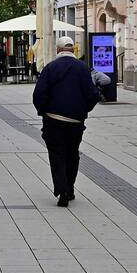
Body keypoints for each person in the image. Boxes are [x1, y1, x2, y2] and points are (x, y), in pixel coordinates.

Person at [32, 35, 98, 206]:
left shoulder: (50, 68)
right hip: (75, 121)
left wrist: (43, 112)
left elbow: (39, 94)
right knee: (72, 153)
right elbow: (92, 95)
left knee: (57, 154)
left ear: (58, 50)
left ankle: (62, 190)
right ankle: (70, 187)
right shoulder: (83, 69)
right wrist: (83, 110)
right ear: (72, 50)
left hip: (53, 119)